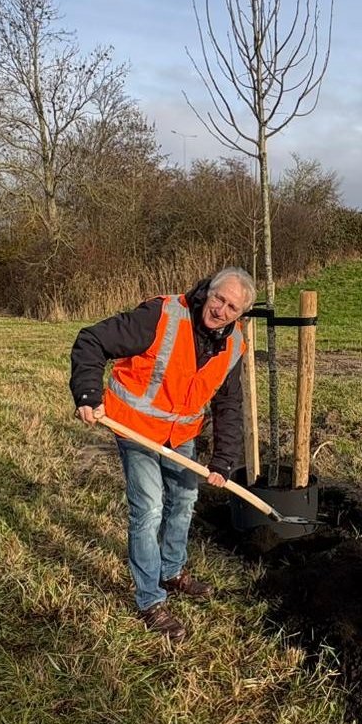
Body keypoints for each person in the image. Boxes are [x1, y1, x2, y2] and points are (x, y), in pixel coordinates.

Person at [70, 267, 255, 641]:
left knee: (184, 500)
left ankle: (171, 572)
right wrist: (88, 394)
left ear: (240, 315)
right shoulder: (162, 315)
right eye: (218, 298)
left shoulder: (234, 344)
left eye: (232, 307)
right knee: (150, 508)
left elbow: (229, 405)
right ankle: (150, 600)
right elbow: (92, 340)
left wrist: (223, 460)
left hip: (180, 434)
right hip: (134, 427)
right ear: (208, 291)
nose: (220, 310)